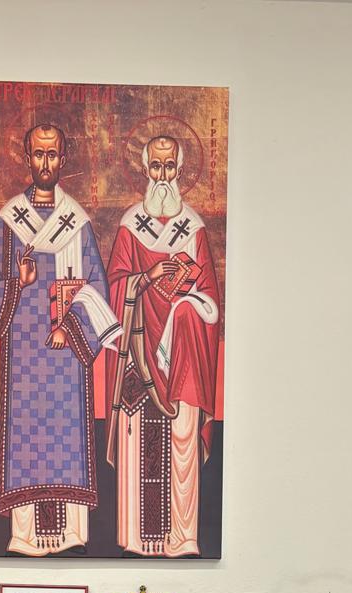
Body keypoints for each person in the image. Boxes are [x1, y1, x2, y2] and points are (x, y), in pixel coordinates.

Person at [0, 124, 120, 555]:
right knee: (26, 443)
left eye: (52, 154)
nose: (45, 163)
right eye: (38, 154)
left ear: (63, 158)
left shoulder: (77, 222)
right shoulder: (11, 221)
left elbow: (98, 288)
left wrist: (70, 327)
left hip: (66, 360)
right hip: (23, 358)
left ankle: (73, 534)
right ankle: (24, 535)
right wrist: (18, 284)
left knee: (66, 441)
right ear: (27, 157)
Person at [106, 135, 221, 557]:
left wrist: (187, 303)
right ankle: (137, 540)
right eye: (155, 166)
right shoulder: (130, 224)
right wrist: (148, 277)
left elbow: (211, 299)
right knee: (139, 442)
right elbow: (115, 286)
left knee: (181, 438)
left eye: (169, 166)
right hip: (139, 352)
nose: (162, 175)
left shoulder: (193, 228)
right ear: (144, 168)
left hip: (183, 357)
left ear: (180, 169)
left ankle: (183, 538)